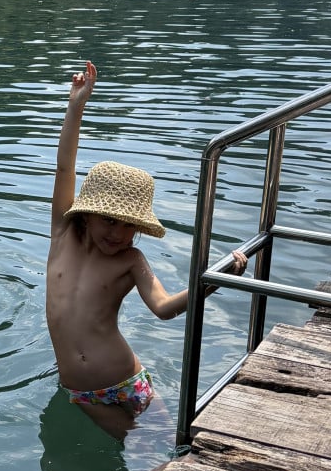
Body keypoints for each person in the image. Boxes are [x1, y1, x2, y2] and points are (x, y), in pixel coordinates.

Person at [47, 63, 244, 436]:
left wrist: (215, 279)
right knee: (137, 448)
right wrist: (76, 107)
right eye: (110, 220)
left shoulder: (131, 260)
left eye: (129, 225)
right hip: (82, 390)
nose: (119, 233)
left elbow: (165, 308)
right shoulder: (64, 236)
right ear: (88, 214)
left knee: (164, 448)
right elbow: (64, 170)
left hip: (128, 379)